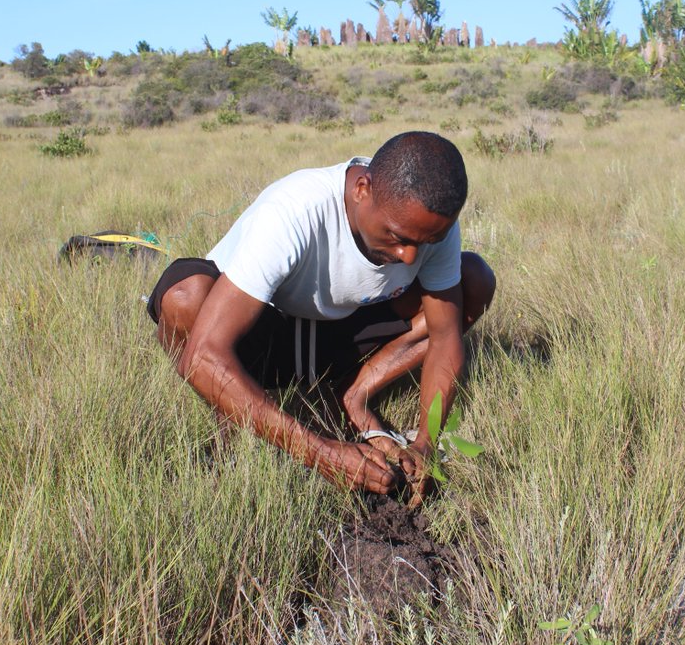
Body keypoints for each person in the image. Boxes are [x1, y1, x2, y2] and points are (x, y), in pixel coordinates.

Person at [148, 131, 496, 499]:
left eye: (425, 242)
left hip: (339, 335)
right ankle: (232, 423)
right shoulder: (295, 209)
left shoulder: (428, 224)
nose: (409, 257)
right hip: (265, 336)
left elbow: (444, 337)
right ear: (362, 188)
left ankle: (353, 395)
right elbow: (201, 358)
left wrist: (425, 444)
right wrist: (322, 453)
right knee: (185, 298)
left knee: (473, 280)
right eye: (397, 237)